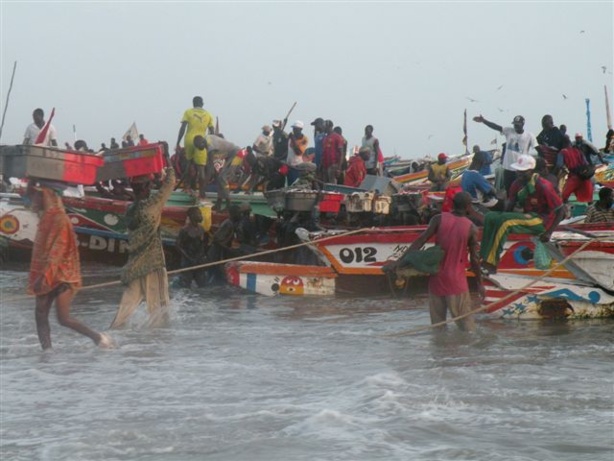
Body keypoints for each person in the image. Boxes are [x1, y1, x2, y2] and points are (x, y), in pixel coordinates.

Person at [26, 180, 112, 349]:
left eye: (38, 196)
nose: (34, 200)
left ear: (47, 196)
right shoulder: (47, 216)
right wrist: (31, 177)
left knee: (63, 318)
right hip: (48, 272)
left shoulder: (59, 219)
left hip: (63, 274)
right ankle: (47, 353)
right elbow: (30, 194)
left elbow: (56, 252)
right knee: (40, 314)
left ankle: (98, 338)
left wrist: (43, 277)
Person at [389, 192, 483, 332]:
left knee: (438, 328)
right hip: (456, 283)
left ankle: (439, 353)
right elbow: (475, 260)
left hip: (436, 280)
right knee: (467, 329)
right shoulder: (471, 228)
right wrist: (480, 283)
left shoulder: (438, 219)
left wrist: (400, 261)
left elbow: (420, 240)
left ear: (452, 204)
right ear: (469, 207)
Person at [111, 167, 176, 328]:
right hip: (153, 266)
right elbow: (170, 184)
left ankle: (107, 341)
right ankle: (160, 350)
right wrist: (168, 167)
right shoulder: (151, 206)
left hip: (133, 267)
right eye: (150, 185)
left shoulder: (130, 211)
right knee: (161, 315)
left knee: (122, 317)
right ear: (147, 187)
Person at [480, 154, 565, 273]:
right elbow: (510, 205)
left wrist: (549, 232)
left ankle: (491, 262)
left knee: (506, 222)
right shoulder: (517, 184)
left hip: (541, 221)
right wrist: (500, 216)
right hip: (527, 217)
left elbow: (561, 209)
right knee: (490, 217)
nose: (519, 175)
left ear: (530, 171)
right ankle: (483, 257)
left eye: (522, 172)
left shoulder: (543, 186)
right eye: (518, 171)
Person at [473, 114, 537, 196]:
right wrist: (484, 121)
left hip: (520, 169)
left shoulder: (529, 135)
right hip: (508, 168)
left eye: (518, 125)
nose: (516, 126)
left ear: (522, 124)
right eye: (514, 124)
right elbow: (496, 127)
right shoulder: (509, 130)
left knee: (521, 190)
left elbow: (537, 147)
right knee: (508, 189)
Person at [200, 134, 242, 210]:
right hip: (231, 155)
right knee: (219, 177)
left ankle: (228, 203)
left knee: (222, 177)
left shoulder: (210, 148)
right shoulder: (208, 138)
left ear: (203, 143)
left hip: (238, 154)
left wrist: (203, 186)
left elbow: (210, 170)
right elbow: (214, 168)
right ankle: (219, 203)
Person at [175, 207, 209, 288]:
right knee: (185, 286)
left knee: (203, 285)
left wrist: (203, 256)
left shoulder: (201, 229)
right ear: (192, 215)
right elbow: (178, 246)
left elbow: (203, 244)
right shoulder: (184, 230)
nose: (201, 216)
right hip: (187, 263)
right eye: (199, 214)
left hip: (199, 261)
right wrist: (189, 258)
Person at [176, 96, 215, 167]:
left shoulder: (188, 112)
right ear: (202, 104)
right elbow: (212, 131)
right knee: (203, 165)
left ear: (193, 104)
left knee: (189, 163)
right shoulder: (208, 115)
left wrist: (178, 143)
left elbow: (183, 128)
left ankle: (187, 175)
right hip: (202, 142)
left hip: (189, 140)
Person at [556, 135, 594, 204]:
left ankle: (566, 211)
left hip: (573, 177)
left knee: (564, 196)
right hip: (584, 176)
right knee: (589, 197)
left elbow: (559, 165)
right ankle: (590, 211)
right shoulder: (578, 151)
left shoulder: (562, 152)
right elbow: (586, 163)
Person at [287, 121, 309, 186]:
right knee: (290, 185)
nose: (294, 130)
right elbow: (288, 151)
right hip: (289, 165)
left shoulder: (304, 139)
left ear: (300, 129)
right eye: (293, 129)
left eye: (296, 129)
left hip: (297, 166)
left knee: (295, 185)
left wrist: (293, 139)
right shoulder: (291, 138)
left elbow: (298, 152)